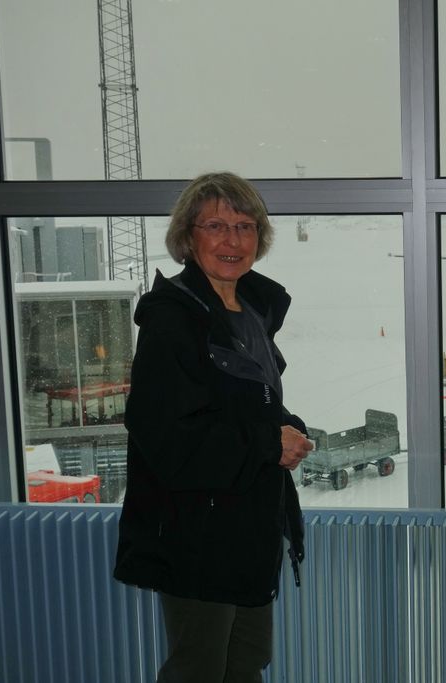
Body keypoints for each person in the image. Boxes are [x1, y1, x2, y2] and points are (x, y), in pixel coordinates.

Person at [113, 171, 314, 682]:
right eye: (216, 226)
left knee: (246, 663)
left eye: (245, 226)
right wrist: (269, 442)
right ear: (188, 236)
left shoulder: (250, 311)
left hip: (249, 529)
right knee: (199, 670)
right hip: (197, 536)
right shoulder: (172, 320)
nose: (233, 240)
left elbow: (247, 403)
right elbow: (168, 438)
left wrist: (287, 428)